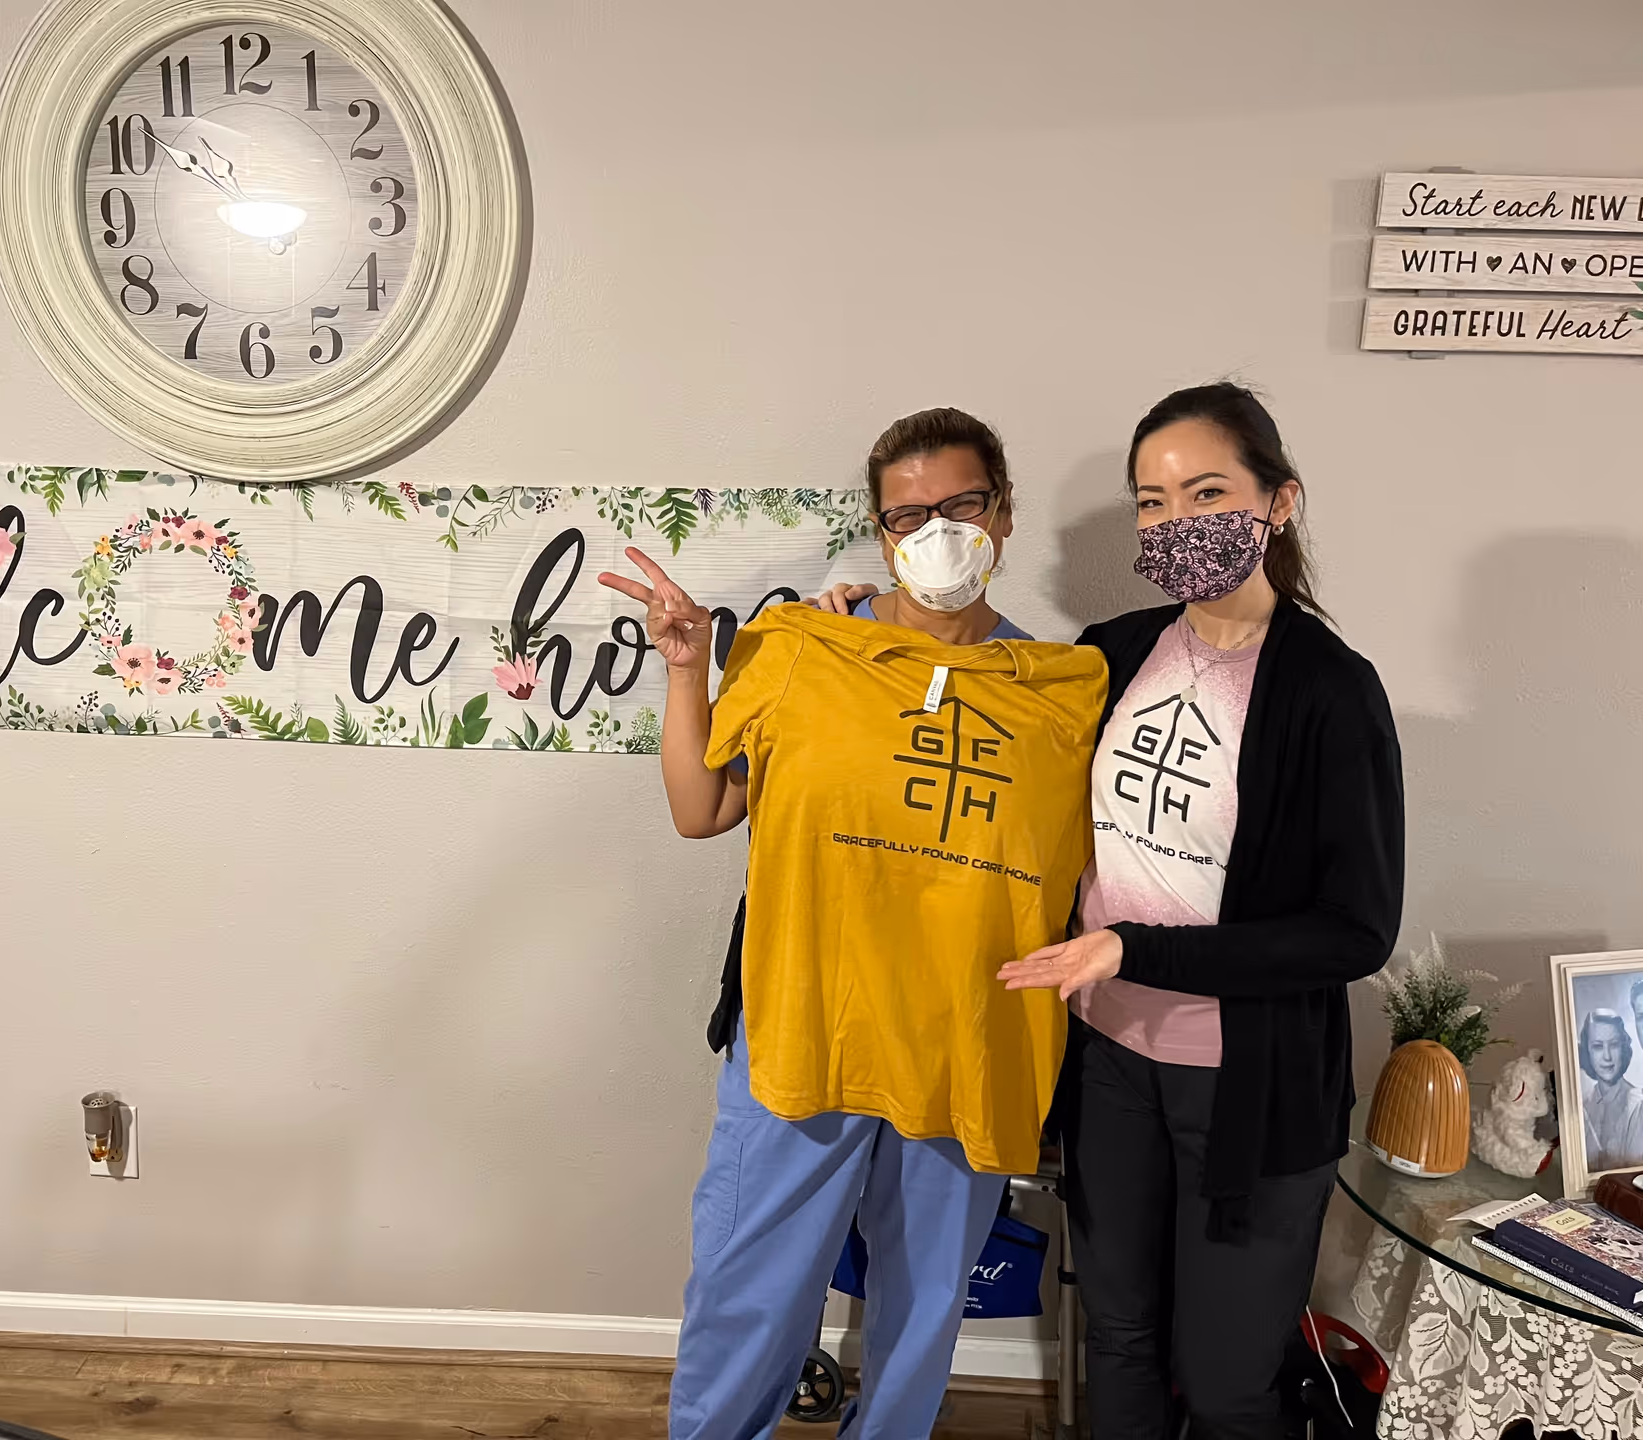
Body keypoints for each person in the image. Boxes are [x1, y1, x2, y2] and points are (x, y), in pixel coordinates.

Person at [819, 382, 1405, 1438]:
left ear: (1279, 501)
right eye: (1151, 501)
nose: (1176, 522)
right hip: (1106, 1065)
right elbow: (986, 728)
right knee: (1119, 1340)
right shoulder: (1115, 652)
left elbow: (1357, 931)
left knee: (1227, 1378)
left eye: (1206, 491)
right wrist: (868, 641)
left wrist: (1133, 949)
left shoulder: (1330, 689)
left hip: (1247, 1090)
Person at [600, 408, 1106, 1440]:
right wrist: (689, 668)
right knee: (749, 1298)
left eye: (960, 504)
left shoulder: (1065, 696)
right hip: (805, 1028)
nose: (936, 530)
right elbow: (702, 812)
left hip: (965, 1044)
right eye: (907, 513)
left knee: (920, 1318)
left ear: (1004, 510)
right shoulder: (805, 649)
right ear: (880, 532)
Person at [1580, 1007, 1643, 1173]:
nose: (1607, 1056)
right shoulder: (1582, 1105)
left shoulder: (1639, 1105)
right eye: (1598, 1046)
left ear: (1623, 1048)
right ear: (1587, 1050)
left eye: (1614, 1045)